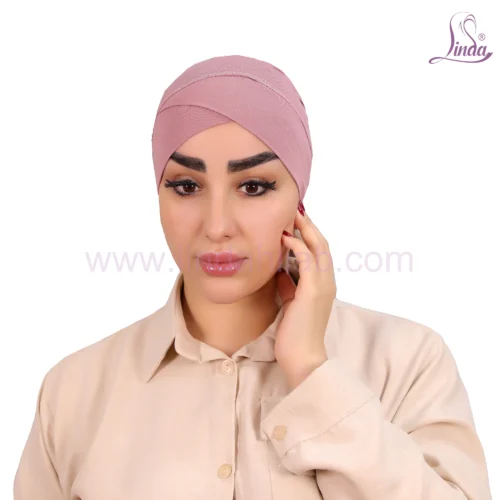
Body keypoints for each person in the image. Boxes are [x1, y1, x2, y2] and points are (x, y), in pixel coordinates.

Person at [14, 55, 492, 500]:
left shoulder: (405, 363)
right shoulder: (73, 392)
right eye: (186, 186)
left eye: (253, 186)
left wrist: (312, 371)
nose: (217, 225)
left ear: (298, 201)